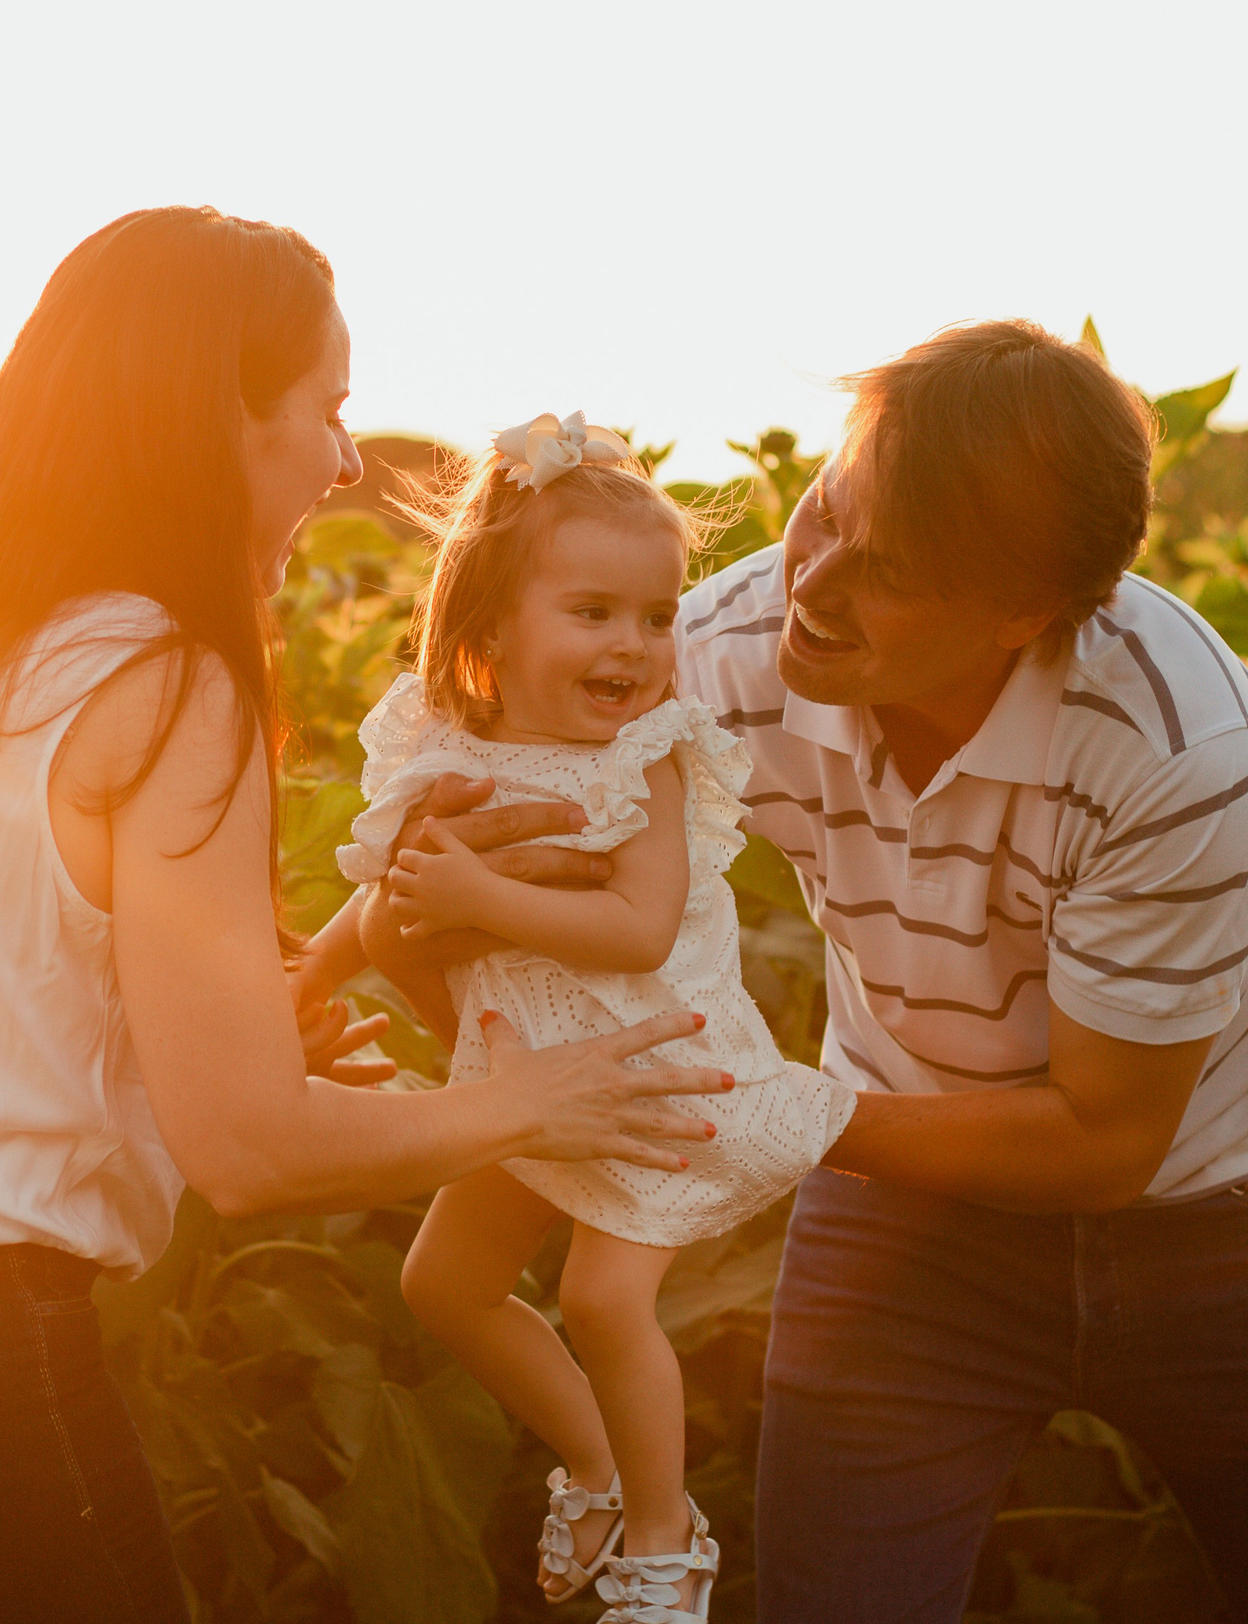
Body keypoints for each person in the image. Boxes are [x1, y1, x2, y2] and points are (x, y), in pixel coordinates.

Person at [0, 208, 733, 1624]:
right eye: (327, 407)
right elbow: (250, 1150)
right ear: (216, 420)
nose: (346, 460)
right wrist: (541, 1098)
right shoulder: (169, 681)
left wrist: (272, 1013)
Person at [361, 322, 1248, 1623]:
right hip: (912, 1215)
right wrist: (422, 936)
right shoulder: (717, 651)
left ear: (1025, 611)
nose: (813, 580)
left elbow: (1107, 1139)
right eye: (827, 506)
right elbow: (497, 850)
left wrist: (771, 1112)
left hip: (1242, 1220)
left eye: (889, 570)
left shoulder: (1171, 741)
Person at [298, 415, 853, 1624]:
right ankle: (594, 1463)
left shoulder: (642, 759)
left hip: (656, 1076)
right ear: (490, 626)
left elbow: (641, 929)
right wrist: (313, 978)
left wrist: (483, 896)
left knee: (605, 1300)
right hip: (529, 1082)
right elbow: (387, 893)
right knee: (441, 1285)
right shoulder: (447, 747)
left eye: (657, 619)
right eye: (593, 613)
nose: (637, 647)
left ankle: (665, 1543)